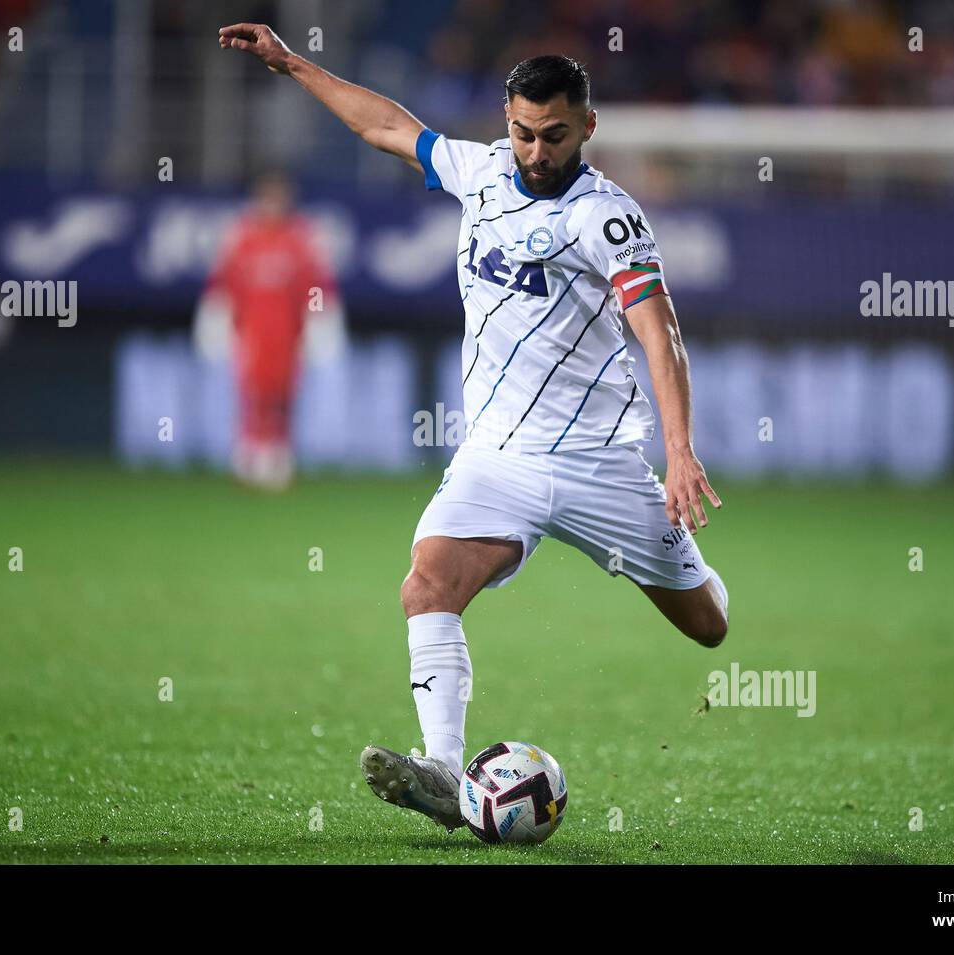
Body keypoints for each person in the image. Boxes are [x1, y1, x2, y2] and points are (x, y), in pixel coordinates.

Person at [219, 23, 729, 832]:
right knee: (427, 582)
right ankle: (444, 772)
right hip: (500, 458)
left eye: (554, 134)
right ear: (506, 120)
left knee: (709, 625)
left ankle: (673, 564)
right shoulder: (480, 172)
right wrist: (291, 63)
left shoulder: (609, 218)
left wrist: (678, 452)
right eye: (523, 132)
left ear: (587, 127)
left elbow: (658, 332)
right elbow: (383, 124)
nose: (535, 150)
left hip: (602, 461)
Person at [201, 170, 340, 489]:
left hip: (287, 333)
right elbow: (224, 284)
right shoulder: (243, 237)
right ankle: (248, 455)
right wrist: (214, 319)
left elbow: (315, 286)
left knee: (282, 393)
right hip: (251, 330)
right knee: (251, 391)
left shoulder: (299, 239)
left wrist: (320, 323)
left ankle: (277, 456)